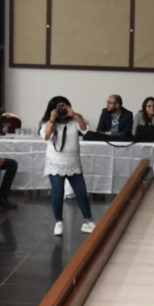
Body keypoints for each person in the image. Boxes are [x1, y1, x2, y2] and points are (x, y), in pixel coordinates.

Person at [41, 96, 94, 236]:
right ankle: (58, 222)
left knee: (81, 192)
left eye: (64, 106)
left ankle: (88, 221)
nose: (62, 110)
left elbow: (85, 129)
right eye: (59, 107)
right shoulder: (48, 122)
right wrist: (52, 119)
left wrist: (74, 114)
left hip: (73, 163)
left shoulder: (74, 120)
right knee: (58, 193)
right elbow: (46, 136)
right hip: (55, 163)